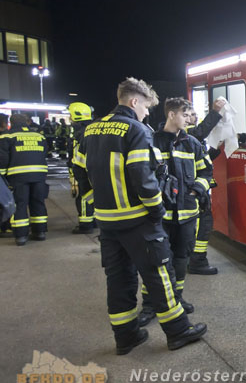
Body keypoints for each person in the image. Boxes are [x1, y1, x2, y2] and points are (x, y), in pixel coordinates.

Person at [72, 78, 207, 353]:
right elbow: (142, 176)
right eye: (145, 106)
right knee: (160, 274)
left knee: (118, 278)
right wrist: (156, 209)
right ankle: (178, 331)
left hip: (107, 222)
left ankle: (126, 336)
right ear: (134, 101)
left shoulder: (90, 130)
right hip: (138, 220)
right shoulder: (136, 130)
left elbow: (79, 172)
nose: (147, 113)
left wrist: (97, 204)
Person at [138, 98, 212, 326]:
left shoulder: (193, 144)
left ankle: (176, 299)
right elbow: (143, 176)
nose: (189, 119)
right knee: (156, 263)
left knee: (181, 260)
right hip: (160, 217)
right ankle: (150, 305)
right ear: (171, 114)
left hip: (187, 216)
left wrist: (196, 191)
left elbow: (207, 172)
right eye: (185, 114)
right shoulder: (151, 141)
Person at [185, 98, 225, 275]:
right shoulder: (186, 133)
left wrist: (217, 149)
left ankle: (192, 259)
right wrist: (215, 112)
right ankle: (197, 262)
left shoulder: (186, 136)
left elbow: (202, 159)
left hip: (196, 188)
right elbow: (200, 132)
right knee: (203, 224)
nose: (195, 117)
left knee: (201, 224)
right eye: (191, 114)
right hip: (194, 189)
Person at [0, 113, 49, 246]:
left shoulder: (7, 136)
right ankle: (40, 232)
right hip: (39, 174)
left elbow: (3, 159)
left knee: (20, 204)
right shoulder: (39, 136)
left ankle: (21, 236)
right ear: (27, 122)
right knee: (38, 202)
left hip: (18, 176)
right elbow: (45, 152)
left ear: (11, 122)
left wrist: (3, 176)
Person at [67, 102, 96, 233]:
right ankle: (94, 221)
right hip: (95, 169)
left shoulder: (79, 134)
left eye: (70, 115)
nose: (69, 118)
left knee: (83, 196)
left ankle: (86, 224)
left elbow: (76, 155)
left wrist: (73, 172)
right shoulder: (93, 129)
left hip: (84, 169)